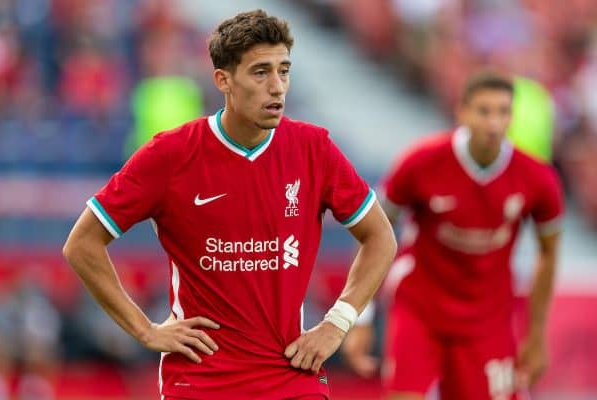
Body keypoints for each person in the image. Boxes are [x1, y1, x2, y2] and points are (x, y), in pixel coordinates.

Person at [62, 9, 396, 400]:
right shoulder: (170, 155)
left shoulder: (313, 149)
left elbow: (380, 238)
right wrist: (144, 329)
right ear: (224, 80)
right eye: (260, 72)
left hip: (291, 373)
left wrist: (336, 323)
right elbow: (81, 244)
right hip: (202, 380)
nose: (277, 87)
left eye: (283, 71)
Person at [341, 71, 563, 400]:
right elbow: (372, 233)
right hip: (421, 308)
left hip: (487, 320)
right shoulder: (420, 163)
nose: (493, 123)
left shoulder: (536, 179)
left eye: (503, 112)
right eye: (484, 111)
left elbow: (549, 252)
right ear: (462, 112)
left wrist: (537, 334)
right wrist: (359, 317)